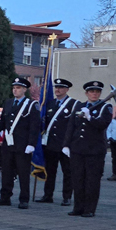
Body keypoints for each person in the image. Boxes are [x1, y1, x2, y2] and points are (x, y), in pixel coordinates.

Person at [63, 81, 112, 218]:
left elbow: (103, 124)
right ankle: (78, 207)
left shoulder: (105, 107)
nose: (94, 94)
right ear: (86, 93)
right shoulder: (79, 106)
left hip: (94, 150)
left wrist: (90, 118)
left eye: (97, 91)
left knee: (92, 180)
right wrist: (66, 145)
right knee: (77, 179)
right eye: (91, 91)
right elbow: (71, 127)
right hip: (77, 148)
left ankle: (89, 209)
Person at [0, 77, 41, 209]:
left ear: (24, 89)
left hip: (23, 145)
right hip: (8, 144)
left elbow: (34, 126)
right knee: (6, 172)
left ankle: (24, 199)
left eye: (18, 88)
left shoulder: (31, 105)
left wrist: (31, 144)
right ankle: (5, 197)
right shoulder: (8, 103)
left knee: (23, 173)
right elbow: (3, 122)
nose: (15, 90)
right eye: (14, 88)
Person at [39, 78, 78, 206]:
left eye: (61, 88)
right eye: (56, 87)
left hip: (65, 145)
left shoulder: (74, 104)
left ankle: (67, 197)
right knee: (50, 171)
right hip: (51, 144)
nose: (57, 90)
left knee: (68, 172)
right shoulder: (50, 104)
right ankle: (47, 195)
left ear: (67, 89)